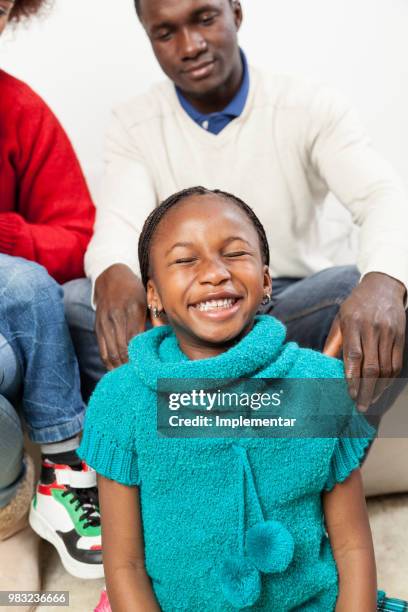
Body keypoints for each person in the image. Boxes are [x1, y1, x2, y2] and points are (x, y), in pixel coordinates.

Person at [65, 0, 407, 438]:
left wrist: (383, 281)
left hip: (284, 303)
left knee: (363, 290)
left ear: (236, 13)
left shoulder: (308, 105)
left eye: (205, 19)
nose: (190, 46)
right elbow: (119, 223)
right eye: (166, 33)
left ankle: (285, 457)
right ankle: (186, 443)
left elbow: (381, 194)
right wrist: (113, 272)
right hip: (184, 315)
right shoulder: (134, 124)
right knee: (80, 301)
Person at [79, 187, 407, 611]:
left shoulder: (317, 385)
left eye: (234, 253)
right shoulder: (123, 400)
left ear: (266, 280)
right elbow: (125, 565)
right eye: (184, 260)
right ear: (153, 296)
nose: (214, 273)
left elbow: (352, 550)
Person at [0, 0, 103, 597]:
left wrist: (7, 236)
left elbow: (78, 240)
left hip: (12, 338)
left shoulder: (20, 109)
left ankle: (64, 471)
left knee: (31, 285)